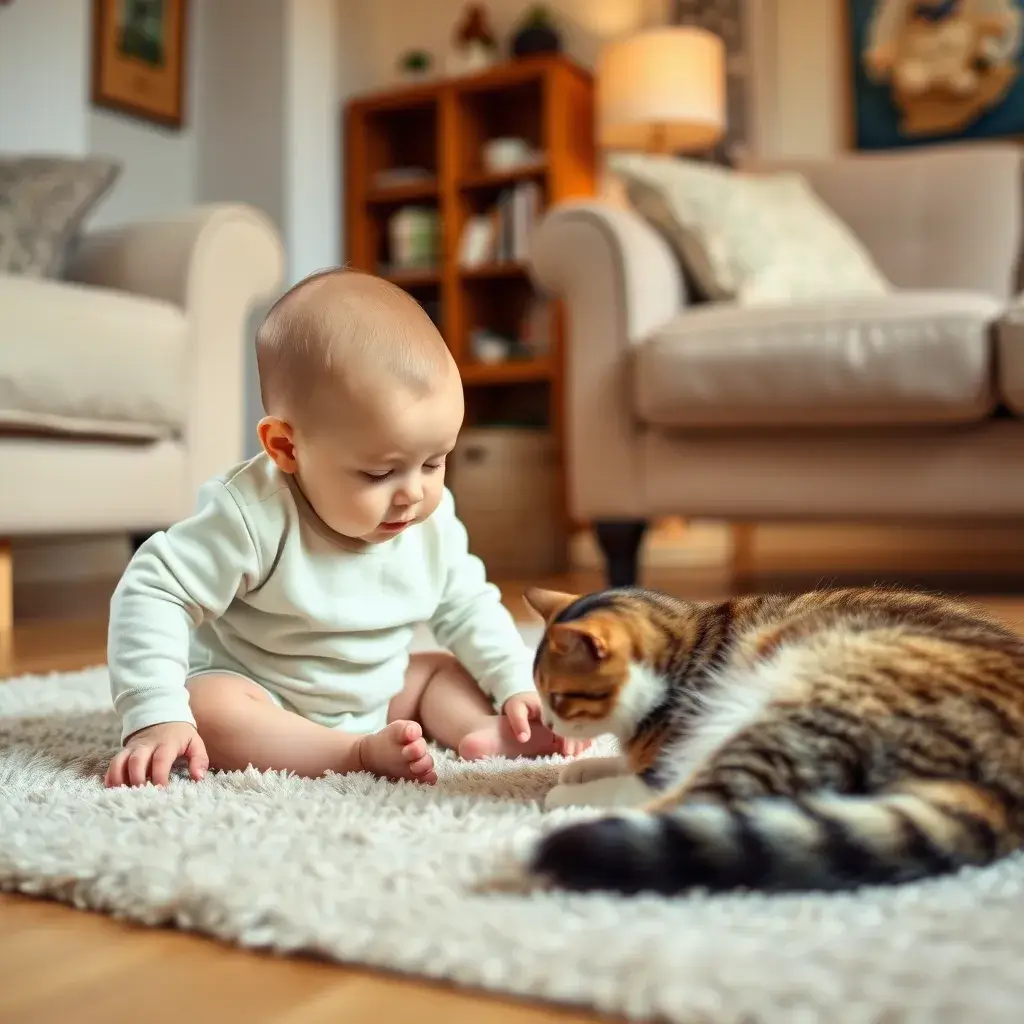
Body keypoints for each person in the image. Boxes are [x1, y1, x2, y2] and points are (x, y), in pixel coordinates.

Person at [104, 268, 587, 789]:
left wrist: (517, 686)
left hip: (379, 694)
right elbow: (154, 589)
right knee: (207, 706)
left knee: (443, 671)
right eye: (380, 472)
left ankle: (483, 731)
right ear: (286, 449)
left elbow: (468, 606)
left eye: (434, 462)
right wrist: (156, 713)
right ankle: (353, 754)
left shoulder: (431, 516)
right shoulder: (250, 514)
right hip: (267, 698)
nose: (414, 493)